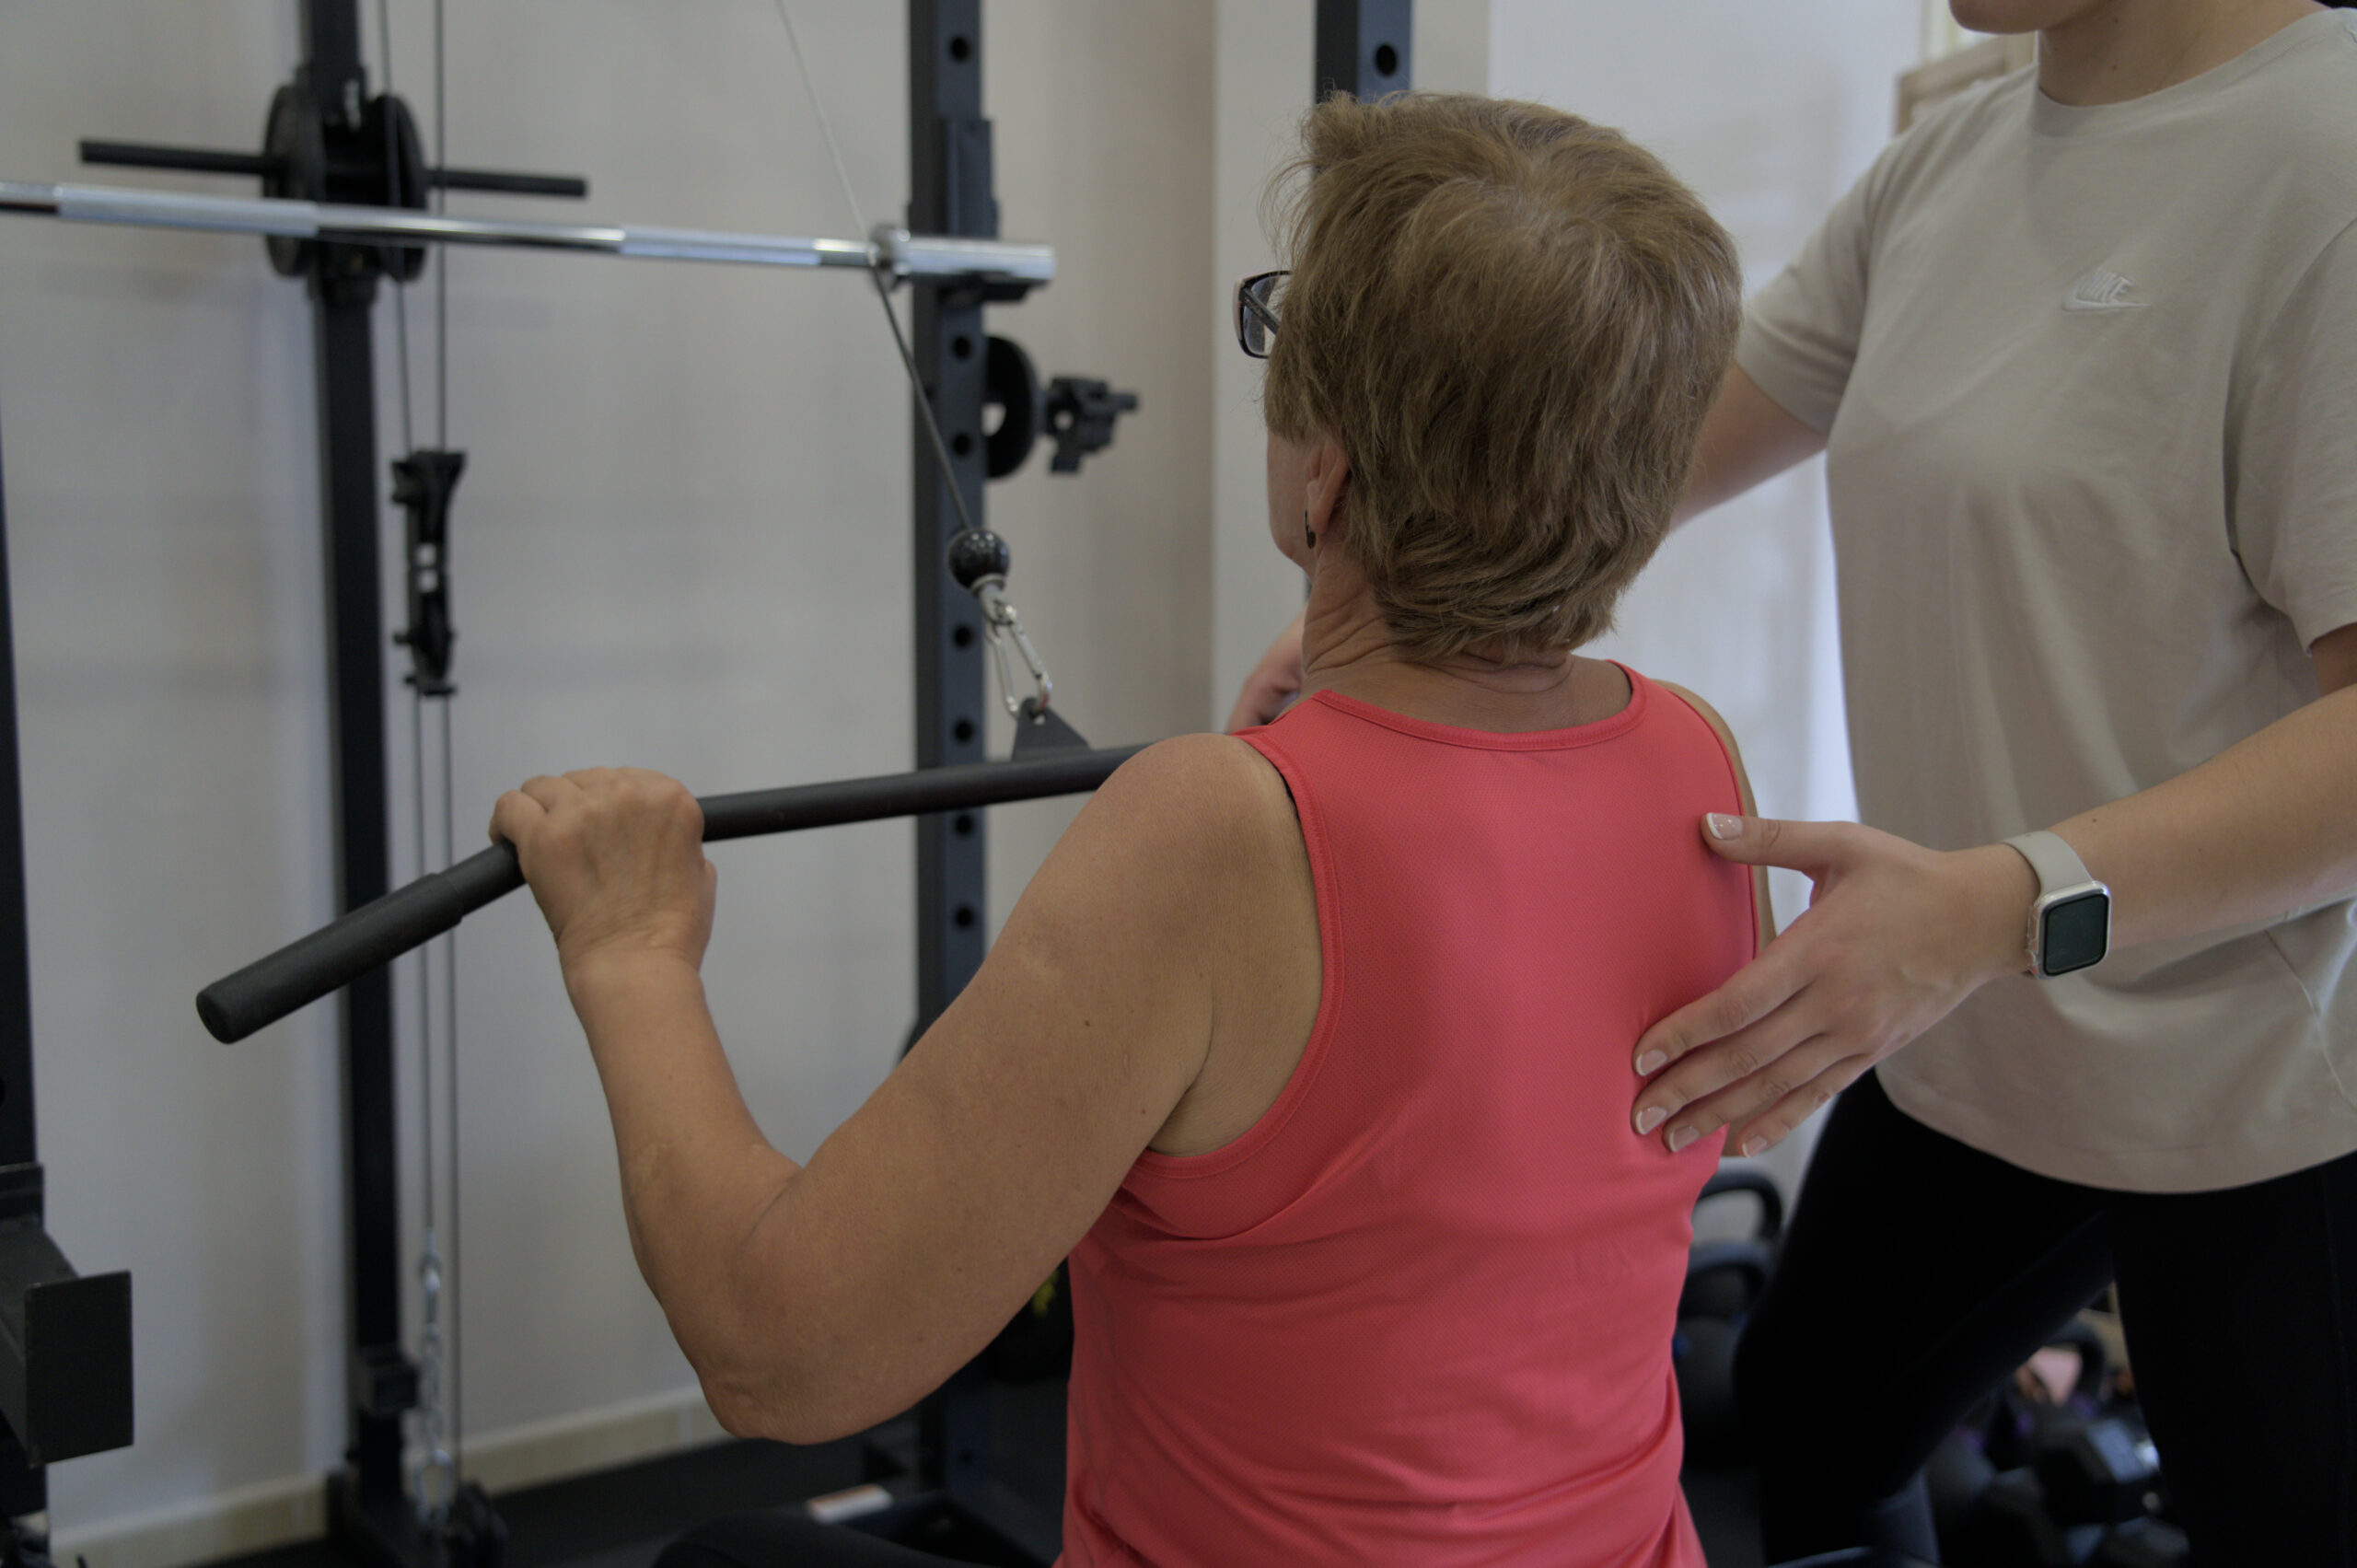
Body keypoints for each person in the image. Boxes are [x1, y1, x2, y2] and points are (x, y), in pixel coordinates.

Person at [493, 95, 1769, 1567]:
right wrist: (1309, 757)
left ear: (1325, 474)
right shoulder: (1698, 760)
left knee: (729, 1559)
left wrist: (631, 949)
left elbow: (781, 1358)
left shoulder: (1210, 834)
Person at [1228, 0, 2357, 1558]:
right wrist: (1377, 619)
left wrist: (1995, 904)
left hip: (2266, 1086)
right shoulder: (1949, 166)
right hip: (1971, 1021)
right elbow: (1633, 451)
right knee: (1819, 1421)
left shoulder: (2328, 163)